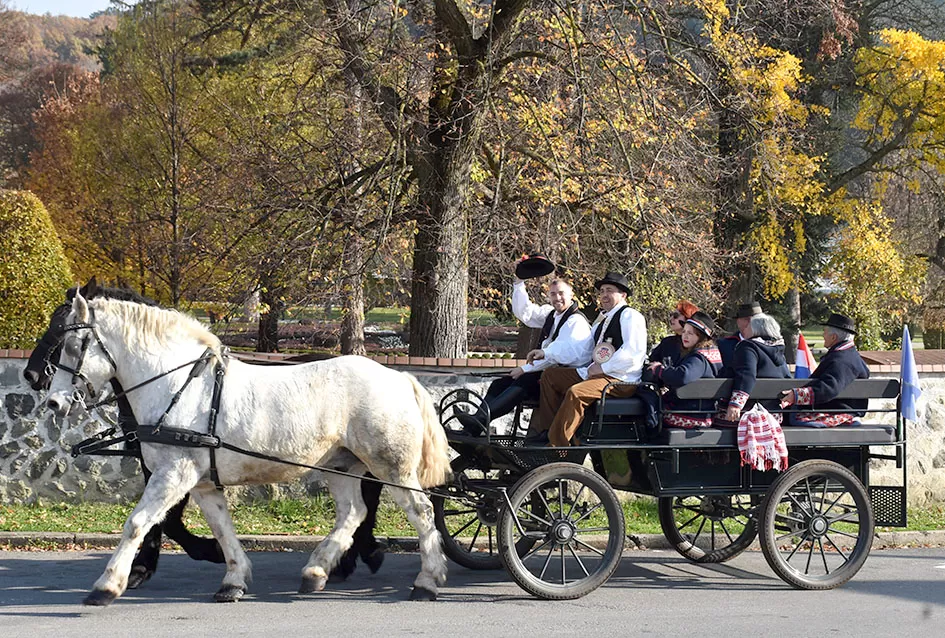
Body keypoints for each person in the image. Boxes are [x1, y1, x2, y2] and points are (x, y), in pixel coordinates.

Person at [455, 267, 592, 435]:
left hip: (566, 379)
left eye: (561, 293)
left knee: (524, 382)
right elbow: (525, 312)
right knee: (500, 383)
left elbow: (560, 353)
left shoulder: (575, 322)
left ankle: (480, 421)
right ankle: (474, 425)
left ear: (572, 295)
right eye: (553, 294)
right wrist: (519, 282)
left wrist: (525, 368)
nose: (557, 298)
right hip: (549, 373)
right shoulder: (552, 315)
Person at [531, 271, 647, 447]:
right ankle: (547, 431)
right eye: (601, 291)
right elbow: (582, 347)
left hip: (621, 379)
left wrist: (603, 368)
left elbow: (632, 353)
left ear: (622, 294)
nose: (604, 295)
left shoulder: (630, 315)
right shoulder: (602, 321)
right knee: (550, 376)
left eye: (609, 290)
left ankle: (558, 446)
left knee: (576, 392)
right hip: (598, 373)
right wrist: (547, 353)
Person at [779, 313, 870, 427]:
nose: (823, 335)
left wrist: (797, 395)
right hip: (838, 408)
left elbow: (829, 387)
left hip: (833, 412)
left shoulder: (842, 360)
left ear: (833, 337)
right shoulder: (849, 355)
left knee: (777, 419)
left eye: (825, 332)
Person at [646, 311, 722, 429]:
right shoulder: (710, 352)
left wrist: (659, 370)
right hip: (699, 411)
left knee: (647, 407)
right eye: (684, 332)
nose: (685, 336)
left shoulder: (699, 357)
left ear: (701, 337)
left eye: (690, 333)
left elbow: (683, 375)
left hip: (691, 416)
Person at [721, 312, 791, 424]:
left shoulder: (748, 347)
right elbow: (786, 376)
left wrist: (736, 404)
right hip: (774, 414)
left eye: (749, 326)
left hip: (749, 413)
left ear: (755, 329)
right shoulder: (778, 349)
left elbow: (746, 375)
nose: (745, 328)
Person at [647, 299, 700, 368]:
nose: (671, 319)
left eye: (676, 316)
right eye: (671, 315)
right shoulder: (667, 342)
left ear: (688, 318)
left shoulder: (698, 345)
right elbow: (651, 363)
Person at [717, 301, 762, 376]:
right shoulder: (724, 345)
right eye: (747, 319)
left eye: (756, 319)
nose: (751, 323)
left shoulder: (771, 345)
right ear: (738, 322)